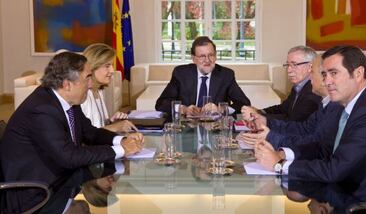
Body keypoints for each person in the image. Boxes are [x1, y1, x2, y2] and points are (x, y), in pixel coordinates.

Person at [255, 45, 366, 204]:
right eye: (324, 74)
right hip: (347, 189)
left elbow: (335, 170)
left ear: (358, 74)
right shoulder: (355, 102)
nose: (327, 81)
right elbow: (325, 146)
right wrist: (285, 154)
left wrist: (280, 165)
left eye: (334, 73)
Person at [0, 52, 144, 212]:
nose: (91, 84)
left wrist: (121, 141)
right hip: (37, 195)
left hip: (63, 181)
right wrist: (122, 150)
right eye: (87, 78)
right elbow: (69, 156)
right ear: (67, 84)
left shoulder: (68, 101)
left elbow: (90, 133)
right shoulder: (41, 109)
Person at [238, 55, 343, 148]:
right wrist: (263, 118)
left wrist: (271, 139)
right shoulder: (323, 101)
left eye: (312, 71)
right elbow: (303, 127)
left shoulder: (319, 98)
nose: (288, 70)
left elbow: (313, 141)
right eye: (287, 65)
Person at [155, 36, 250, 118]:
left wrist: (221, 109)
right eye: (202, 56)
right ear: (194, 59)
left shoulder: (226, 75)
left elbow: (244, 103)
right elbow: (161, 103)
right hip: (187, 128)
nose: (207, 60)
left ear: (215, 56)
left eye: (211, 55)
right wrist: (183, 109)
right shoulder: (181, 73)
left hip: (215, 130)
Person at [241, 45, 321, 122]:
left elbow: (293, 121)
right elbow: (283, 109)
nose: (289, 70)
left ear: (310, 67)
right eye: (288, 65)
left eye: (294, 65)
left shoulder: (314, 91)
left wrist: (257, 116)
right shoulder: (298, 86)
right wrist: (260, 111)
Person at [81, 43, 136, 133]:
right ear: (92, 67)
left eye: (111, 65)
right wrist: (115, 127)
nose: (112, 70)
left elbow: (98, 126)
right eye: (107, 66)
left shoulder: (98, 91)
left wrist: (111, 122)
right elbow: (85, 135)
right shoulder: (83, 97)